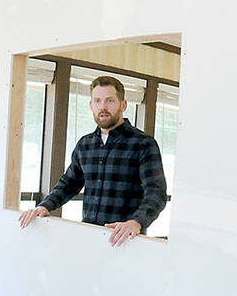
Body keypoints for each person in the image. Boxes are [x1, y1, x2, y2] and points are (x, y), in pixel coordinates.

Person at [18, 75, 167, 245]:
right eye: (97, 101)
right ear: (91, 105)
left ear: (123, 105)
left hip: (125, 242)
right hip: (88, 239)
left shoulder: (143, 144)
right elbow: (69, 183)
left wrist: (137, 222)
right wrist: (44, 206)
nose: (102, 107)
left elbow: (156, 192)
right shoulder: (85, 144)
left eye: (110, 101)